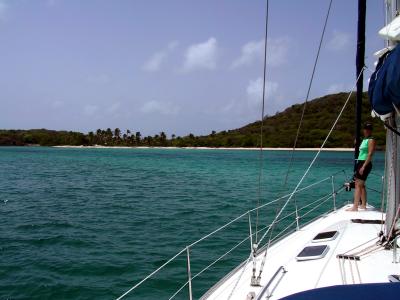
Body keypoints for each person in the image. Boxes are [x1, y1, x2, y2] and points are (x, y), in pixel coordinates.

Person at [347, 122, 376, 211]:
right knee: (361, 185)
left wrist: (363, 166)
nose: (367, 131)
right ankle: (363, 205)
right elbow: (362, 151)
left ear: (371, 130)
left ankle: (355, 207)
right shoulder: (365, 139)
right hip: (360, 162)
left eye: (369, 129)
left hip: (365, 163)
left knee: (358, 185)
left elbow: (370, 153)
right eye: (365, 129)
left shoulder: (371, 139)